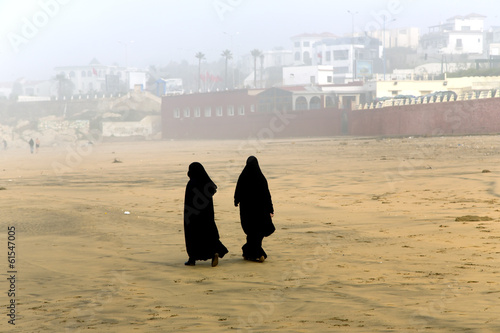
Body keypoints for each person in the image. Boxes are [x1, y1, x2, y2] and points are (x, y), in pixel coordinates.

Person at [183, 162, 228, 266]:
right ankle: (214, 253)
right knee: (208, 235)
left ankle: (192, 259)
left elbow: (188, 202)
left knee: (193, 237)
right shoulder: (207, 184)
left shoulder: (191, 183)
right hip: (206, 216)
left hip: (193, 217)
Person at [234, 156, 275, 262]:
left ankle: (250, 252)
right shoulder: (261, 177)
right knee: (258, 232)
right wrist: (270, 209)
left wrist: (236, 200)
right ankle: (256, 253)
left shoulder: (243, 176)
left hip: (247, 210)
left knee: (251, 232)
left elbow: (238, 189)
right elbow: (267, 195)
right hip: (260, 210)